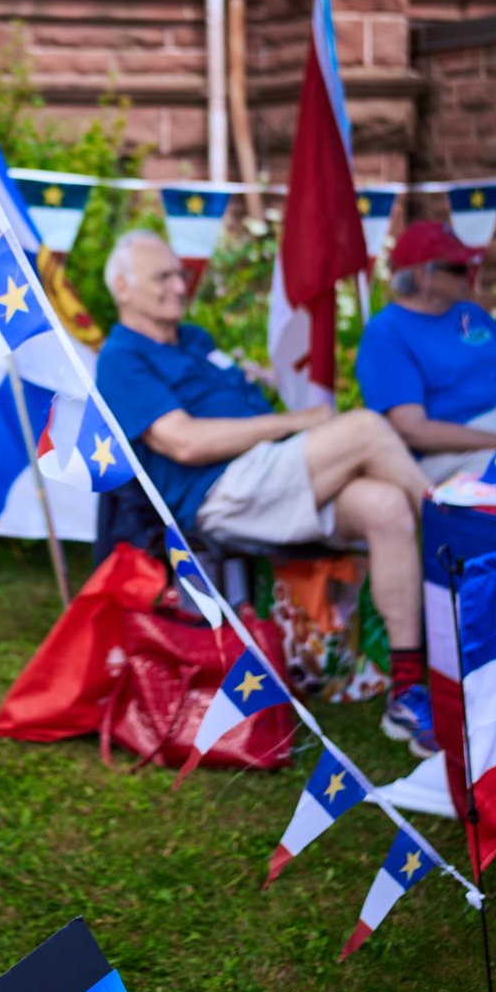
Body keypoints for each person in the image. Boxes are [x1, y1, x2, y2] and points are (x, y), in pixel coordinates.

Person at [96, 229, 435, 757]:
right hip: (219, 492)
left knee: (386, 507)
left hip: (271, 477)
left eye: (179, 274)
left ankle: (408, 692)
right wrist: (296, 421)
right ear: (122, 286)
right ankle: (464, 540)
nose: (178, 286)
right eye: (161, 276)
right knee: (366, 428)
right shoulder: (120, 358)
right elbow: (183, 442)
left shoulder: (195, 341)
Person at [356, 220, 496, 485]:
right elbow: (414, 431)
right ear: (424, 276)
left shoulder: (474, 315)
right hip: (458, 453)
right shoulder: (386, 332)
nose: (469, 273)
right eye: (458, 268)